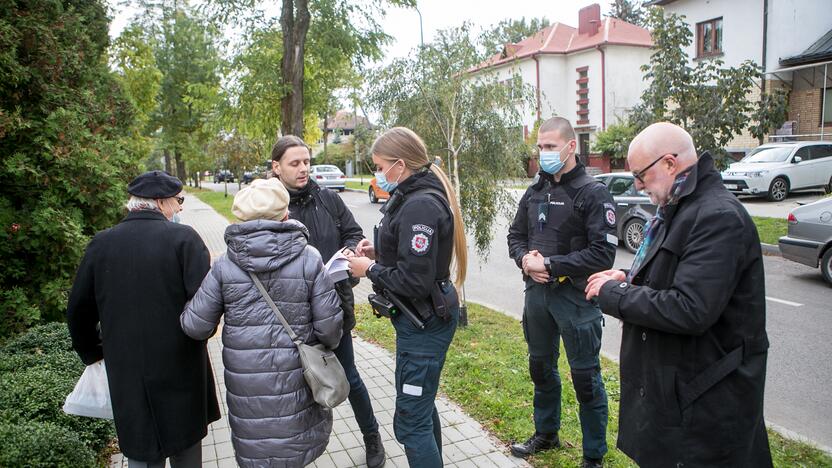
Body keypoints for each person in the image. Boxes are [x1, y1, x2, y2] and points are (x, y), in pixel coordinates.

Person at [585, 122, 772, 467]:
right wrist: (630, 276)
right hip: (681, 393)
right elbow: (673, 276)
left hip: (706, 404)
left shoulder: (717, 216)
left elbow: (690, 308)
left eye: (641, 175)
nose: (638, 186)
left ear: (670, 164)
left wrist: (616, 294)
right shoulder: (680, 206)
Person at [180, 177, 344, 467]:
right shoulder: (309, 258)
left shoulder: (224, 264)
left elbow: (196, 326)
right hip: (298, 383)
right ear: (285, 214)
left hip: (248, 391)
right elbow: (330, 330)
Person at [66, 171, 220, 468]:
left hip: (127, 370)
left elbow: (78, 310)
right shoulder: (184, 239)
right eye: (178, 201)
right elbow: (206, 306)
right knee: (186, 450)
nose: (180, 207)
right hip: (182, 367)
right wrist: (204, 333)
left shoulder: (101, 243)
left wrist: (94, 352)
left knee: (140, 450)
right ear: (161, 202)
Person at [347, 127, 467, 468]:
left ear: (400, 165)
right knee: (422, 409)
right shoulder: (415, 196)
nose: (378, 174)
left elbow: (414, 281)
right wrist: (381, 251)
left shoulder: (420, 205)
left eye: (379, 166)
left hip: (424, 322)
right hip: (422, 319)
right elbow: (415, 259)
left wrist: (369, 269)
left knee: (411, 424)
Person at [270, 135, 386, 467]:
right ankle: (298, 449)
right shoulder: (271, 205)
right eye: (295, 163)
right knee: (296, 385)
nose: (303, 168)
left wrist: (351, 248)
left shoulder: (327, 199)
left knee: (349, 377)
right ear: (276, 167)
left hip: (334, 306)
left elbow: (352, 230)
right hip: (291, 313)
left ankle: (372, 437)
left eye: (306, 161)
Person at [506, 117, 616, 467]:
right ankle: (546, 433)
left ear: (571, 147)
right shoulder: (536, 190)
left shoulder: (593, 192)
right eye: (540, 147)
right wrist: (525, 260)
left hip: (576, 299)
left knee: (586, 379)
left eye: (550, 147)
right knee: (541, 369)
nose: (543, 153)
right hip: (537, 298)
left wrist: (550, 265)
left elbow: (603, 253)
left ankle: (593, 456)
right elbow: (514, 236)